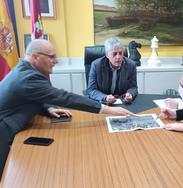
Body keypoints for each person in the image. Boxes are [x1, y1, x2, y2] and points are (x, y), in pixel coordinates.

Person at [0, 39, 133, 178]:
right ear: (35, 57)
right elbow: (65, 98)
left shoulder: (25, 70)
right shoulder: (28, 78)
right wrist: (108, 110)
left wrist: (48, 108)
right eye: (51, 57)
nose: (56, 61)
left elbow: (31, 95)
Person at [87, 38, 138, 105]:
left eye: (120, 53)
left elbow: (133, 87)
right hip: (102, 103)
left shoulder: (131, 65)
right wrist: (105, 97)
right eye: (114, 54)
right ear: (107, 54)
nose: (118, 57)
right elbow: (91, 90)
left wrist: (130, 94)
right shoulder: (96, 65)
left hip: (122, 102)